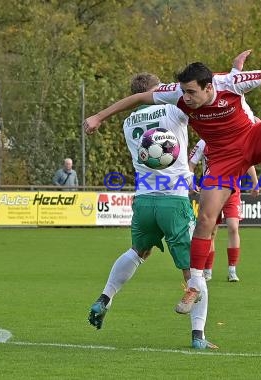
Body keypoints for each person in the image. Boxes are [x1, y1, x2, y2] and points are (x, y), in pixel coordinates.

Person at [83, 50, 261, 319]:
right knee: (206, 217)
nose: (187, 97)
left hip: (251, 138)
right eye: (184, 92)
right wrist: (99, 116)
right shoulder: (176, 95)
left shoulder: (229, 83)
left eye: (192, 92)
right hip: (221, 158)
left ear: (209, 87)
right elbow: (138, 98)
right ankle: (194, 283)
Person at [87, 72, 220, 350]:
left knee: (139, 251)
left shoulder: (128, 122)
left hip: (145, 199)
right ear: (157, 90)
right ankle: (198, 336)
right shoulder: (173, 107)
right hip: (173, 200)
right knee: (194, 269)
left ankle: (105, 297)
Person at [188, 139, 260, 282]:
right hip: (211, 189)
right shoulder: (203, 142)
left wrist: (255, 182)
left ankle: (232, 270)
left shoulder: (235, 138)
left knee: (233, 227)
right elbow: (190, 165)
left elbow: (248, 161)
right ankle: (208, 270)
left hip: (233, 189)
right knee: (211, 231)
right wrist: (190, 182)